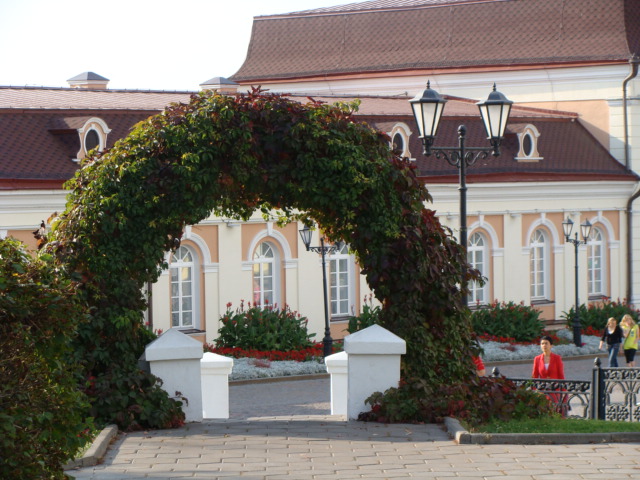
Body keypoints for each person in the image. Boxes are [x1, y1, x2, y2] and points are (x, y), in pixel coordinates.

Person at [532, 335, 567, 414]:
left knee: (555, 410)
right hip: (543, 390)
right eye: (542, 343)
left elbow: (561, 375)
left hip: (555, 389)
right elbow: (534, 376)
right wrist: (534, 390)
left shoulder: (557, 358)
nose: (544, 345)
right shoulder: (537, 359)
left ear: (551, 345)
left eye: (546, 343)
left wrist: (563, 390)